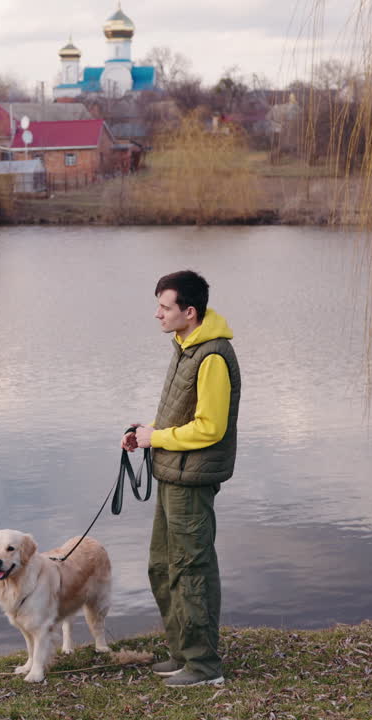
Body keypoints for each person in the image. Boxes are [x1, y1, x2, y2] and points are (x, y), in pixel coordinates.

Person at [122, 269, 240, 687]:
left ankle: (205, 667)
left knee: (192, 569)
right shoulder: (185, 346)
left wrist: (159, 437)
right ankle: (183, 653)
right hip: (173, 472)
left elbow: (211, 428)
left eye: (164, 306)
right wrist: (145, 435)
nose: (157, 314)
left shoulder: (211, 357)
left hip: (191, 480)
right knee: (161, 565)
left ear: (189, 312)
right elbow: (180, 412)